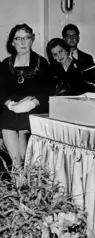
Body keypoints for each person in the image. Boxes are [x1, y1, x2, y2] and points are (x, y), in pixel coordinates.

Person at [0, 24, 55, 167]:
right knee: (7, 122)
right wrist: (9, 104)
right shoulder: (6, 64)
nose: (23, 42)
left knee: (24, 127)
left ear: (32, 40)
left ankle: (24, 172)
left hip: (34, 110)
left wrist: (32, 103)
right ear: (12, 42)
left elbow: (49, 89)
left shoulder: (42, 63)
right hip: (11, 110)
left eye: (27, 38)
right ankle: (17, 170)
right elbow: (0, 89)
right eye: (19, 38)